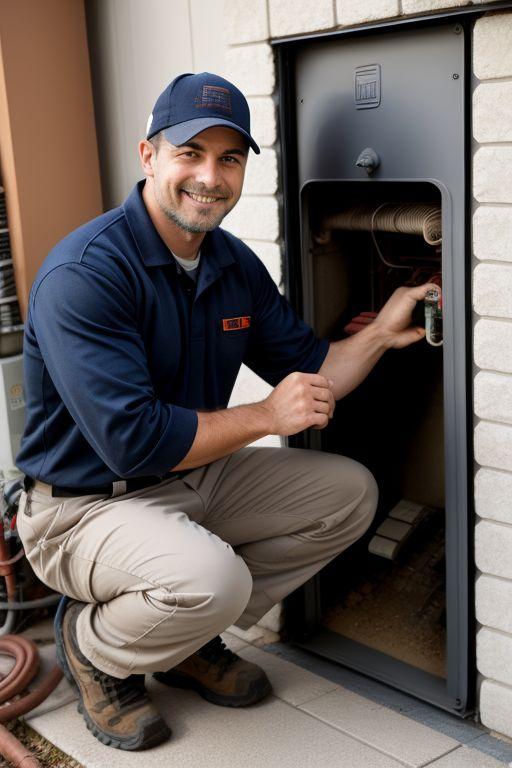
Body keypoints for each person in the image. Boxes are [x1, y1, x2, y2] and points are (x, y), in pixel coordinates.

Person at [15, 72, 438, 751]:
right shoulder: (86, 275)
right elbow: (134, 442)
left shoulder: (231, 264)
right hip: (83, 506)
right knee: (214, 578)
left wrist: (382, 333)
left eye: (230, 158)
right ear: (149, 156)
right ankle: (93, 645)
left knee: (349, 494)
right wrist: (269, 417)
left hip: (190, 476)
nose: (210, 176)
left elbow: (316, 371)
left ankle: (179, 638)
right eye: (191, 153)